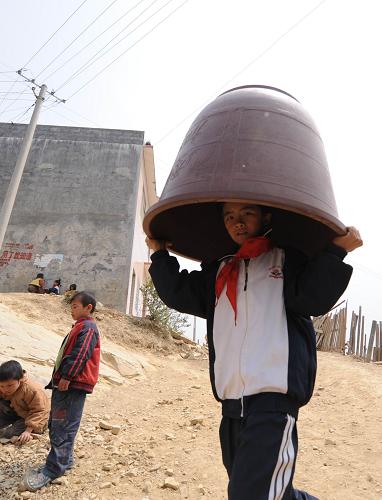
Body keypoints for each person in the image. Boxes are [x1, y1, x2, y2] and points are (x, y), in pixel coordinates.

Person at [146, 202, 362, 500]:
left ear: (266, 216)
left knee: (251, 494)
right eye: (229, 217)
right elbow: (177, 292)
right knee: (267, 490)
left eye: (246, 213)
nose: (238, 222)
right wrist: (158, 254)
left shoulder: (286, 261)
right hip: (232, 404)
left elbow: (313, 297)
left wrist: (337, 252)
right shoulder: (219, 270)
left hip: (273, 401)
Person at [23, 291, 101, 492]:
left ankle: (53, 469)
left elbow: (81, 354)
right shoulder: (80, 327)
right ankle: (65, 461)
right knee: (59, 423)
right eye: (71, 306)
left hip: (72, 384)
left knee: (62, 425)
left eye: (75, 306)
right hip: (67, 383)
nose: (72, 310)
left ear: (88, 308)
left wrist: (68, 376)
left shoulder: (89, 327)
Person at [0, 360, 50, 444]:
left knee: (8, 433)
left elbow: (39, 411)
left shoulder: (31, 390)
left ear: (20, 380)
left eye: (10, 385)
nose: (5, 389)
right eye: (2, 386)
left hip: (35, 418)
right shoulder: (4, 385)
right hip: (17, 412)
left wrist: (28, 431)